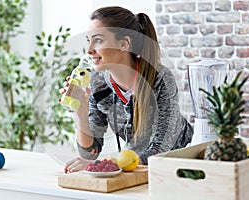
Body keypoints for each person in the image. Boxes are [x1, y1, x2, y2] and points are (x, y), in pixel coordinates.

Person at [59, 6, 193, 173]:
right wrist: (80, 110)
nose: (89, 50)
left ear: (124, 44)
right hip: (138, 168)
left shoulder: (159, 79)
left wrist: (106, 164)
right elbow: (89, 153)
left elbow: (160, 149)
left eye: (98, 40)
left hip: (184, 162)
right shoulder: (98, 83)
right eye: (88, 40)